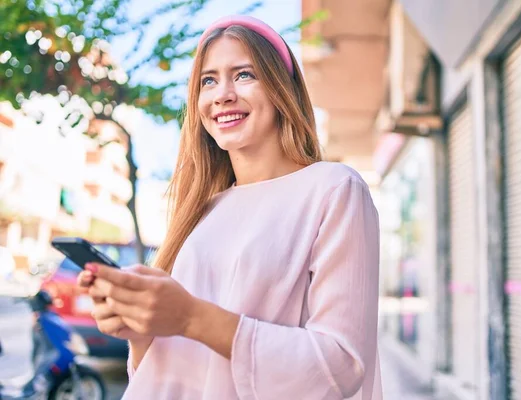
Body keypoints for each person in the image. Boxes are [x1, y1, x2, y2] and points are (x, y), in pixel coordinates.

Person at [77, 15, 382, 400]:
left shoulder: (334, 188)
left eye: (243, 75)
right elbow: (172, 370)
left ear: (280, 88)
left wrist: (190, 316)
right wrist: (141, 332)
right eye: (208, 80)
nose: (222, 94)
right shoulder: (203, 210)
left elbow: (340, 365)